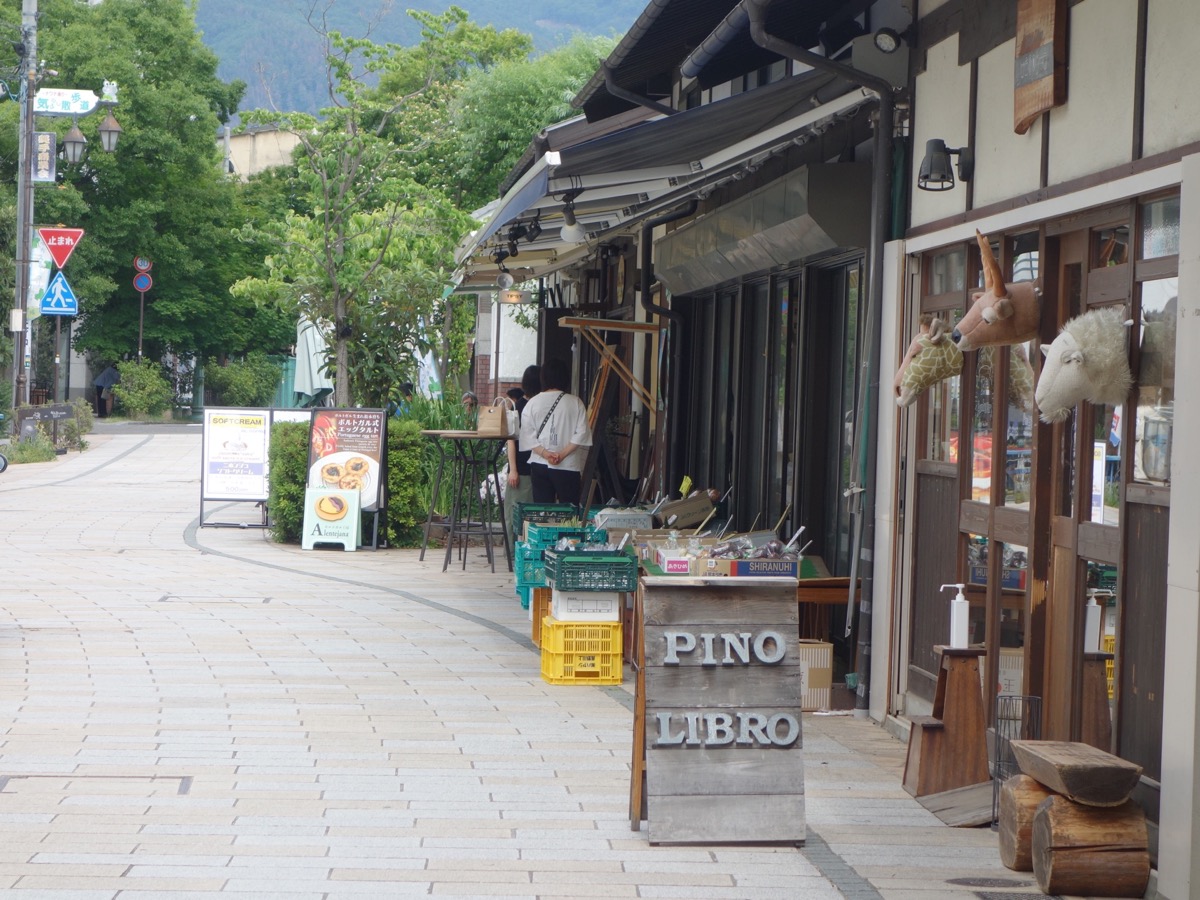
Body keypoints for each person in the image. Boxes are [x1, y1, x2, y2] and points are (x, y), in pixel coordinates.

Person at [519, 358, 591, 504]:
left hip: (540, 463)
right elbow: (582, 433)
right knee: (569, 511)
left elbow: (527, 436)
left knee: (543, 510)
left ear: (543, 378)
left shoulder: (532, 403)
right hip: (568, 465)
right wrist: (561, 454)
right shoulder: (575, 402)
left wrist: (546, 454)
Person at [504, 366, 541, 525]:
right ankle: (513, 543)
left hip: (529, 468)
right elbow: (511, 439)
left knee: (520, 515)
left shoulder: (523, 405)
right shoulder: (520, 407)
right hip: (522, 470)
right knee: (518, 515)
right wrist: (513, 470)